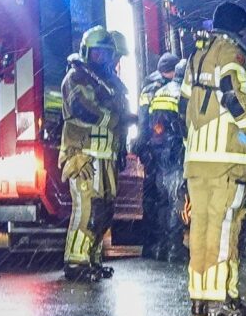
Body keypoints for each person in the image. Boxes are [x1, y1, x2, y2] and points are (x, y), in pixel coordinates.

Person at [183, 3, 246, 316]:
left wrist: (192, 142)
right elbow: (233, 95)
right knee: (225, 227)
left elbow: (182, 106)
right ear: (240, 29)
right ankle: (222, 298)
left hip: (196, 159)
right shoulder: (232, 53)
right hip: (228, 160)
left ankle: (200, 295)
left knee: (201, 226)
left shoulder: (196, 56)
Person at [58, 25, 128, 282]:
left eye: (106, 53)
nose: (103, 58)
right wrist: (113, 118)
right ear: (87, 52)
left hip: (106, 155)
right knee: (86, 208)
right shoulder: (76, 78)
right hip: (84, 154)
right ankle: (76, 262)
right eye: (97, 53)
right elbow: (83, 108)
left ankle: (92, 258)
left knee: (104, 209)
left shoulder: (108, 81)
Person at [138, 52, 186, 261]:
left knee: (159, 201)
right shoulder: (181, 93)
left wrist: (146, 148)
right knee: (175, 200)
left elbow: (147, 123)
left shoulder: (155, 91)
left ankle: (156, 246)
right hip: (174, 153)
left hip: (155, 153)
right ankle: (173, 248)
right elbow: (185, 126)